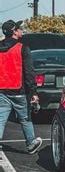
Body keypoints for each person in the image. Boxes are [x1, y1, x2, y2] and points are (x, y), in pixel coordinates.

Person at [0, 20, 42, 154]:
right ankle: (31, 144)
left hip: (1, 89)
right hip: (19, 90)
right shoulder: (22, 48)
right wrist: (34, 92)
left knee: (1, 118)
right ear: (14, 32)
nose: (21, 30)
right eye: (19, 28)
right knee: (25, 118)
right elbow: (29, 72)